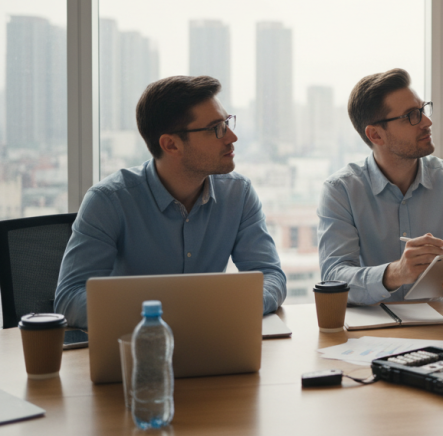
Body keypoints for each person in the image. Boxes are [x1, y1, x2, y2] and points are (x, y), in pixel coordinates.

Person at [54, 76, 287, 329]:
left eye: (227, 122)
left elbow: (270, 276)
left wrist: (231, 306)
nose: (232, 137)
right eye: (216, 128)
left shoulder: (238, 193)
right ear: (171, 144)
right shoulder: (108, 201)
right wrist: (162, 315)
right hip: (136, 350)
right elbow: (69, 299)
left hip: (215, 342)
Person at [317, 69, 443, 311]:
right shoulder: (340, 190)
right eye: (410, 116)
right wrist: (396, 272)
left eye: (422, 110)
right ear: (375, 134)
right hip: (371, 335)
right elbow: (334, 277)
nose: (427, 122)